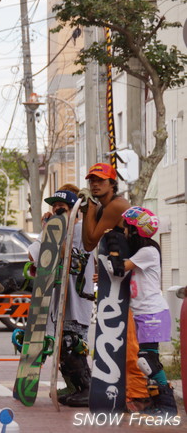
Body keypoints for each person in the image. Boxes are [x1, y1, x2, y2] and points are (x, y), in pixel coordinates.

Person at [79, 162, 150, 411]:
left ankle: (140, 394)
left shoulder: (116, 205)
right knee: (119, 338)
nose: (94, 184)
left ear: (112, 184)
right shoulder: (105, 206)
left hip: (134, 283)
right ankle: (135, 391)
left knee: (128, 340)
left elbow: (89, 241)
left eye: (100, 180)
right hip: (120, 280)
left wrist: (89, 209)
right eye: (91, 180)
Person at [26, 186, 94, 407]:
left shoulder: (83, 230)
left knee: (72, 342)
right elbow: (33, 256)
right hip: (55, 300)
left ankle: (87, 388)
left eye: (62, 208)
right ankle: (74, 387)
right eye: (54, 207)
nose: (57, 210)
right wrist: (47, 231)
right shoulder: (50, 229)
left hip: (76, 298)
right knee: (61, 346)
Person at [116, 206, 177, 416]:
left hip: (152, 313)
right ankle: (158, 401)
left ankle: (167, 405)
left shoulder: (147, 251)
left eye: (126, 229)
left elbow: (120, 267)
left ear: (135, 231)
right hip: (144, 314)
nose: (124, 233)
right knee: (148, 359)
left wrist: (112, 253)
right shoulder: (142, 253)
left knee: (146, 360)